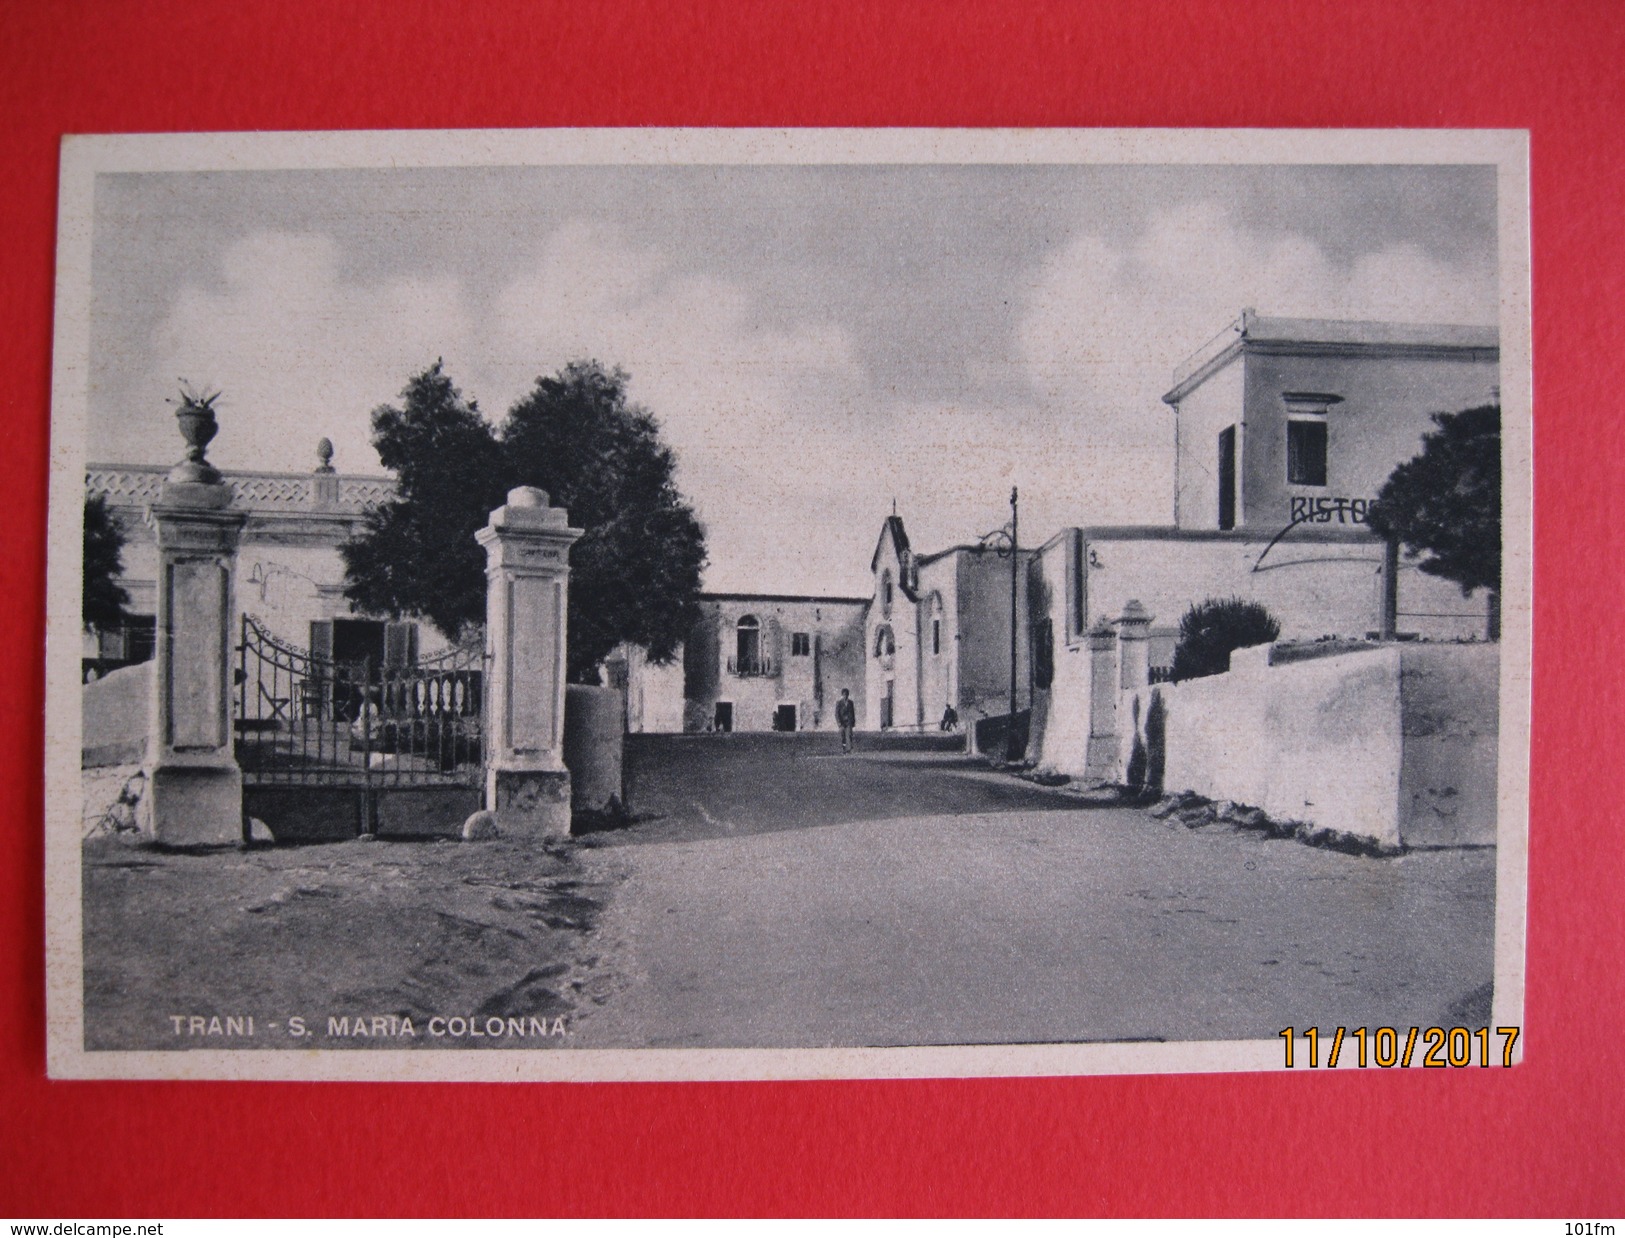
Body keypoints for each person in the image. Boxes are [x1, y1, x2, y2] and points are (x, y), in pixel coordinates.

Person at [834, 688, 857, 753]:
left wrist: (853, 722)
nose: (845, 696)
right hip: (842, 722)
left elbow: (853, 713)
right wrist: (839, 723)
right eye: (844, 694)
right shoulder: (839, 703)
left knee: (849, 735)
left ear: (848, 695)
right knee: (843, 736)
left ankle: (849, 749)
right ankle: (844, 748)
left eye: (846, 694)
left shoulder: (851, 703)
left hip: (849, 722)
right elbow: (836, 714)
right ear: (842, 695)